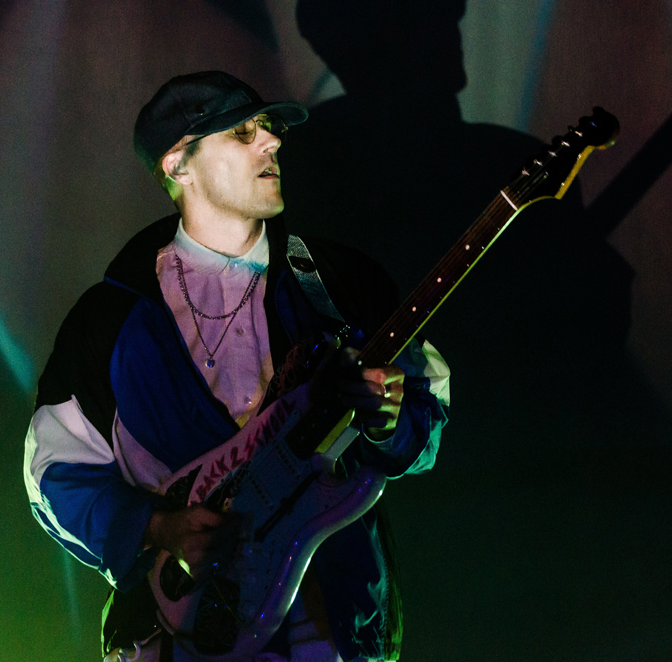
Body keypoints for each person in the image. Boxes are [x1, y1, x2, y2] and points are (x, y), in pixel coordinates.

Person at [24, 71, 450, 662]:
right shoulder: (108, 320)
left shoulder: (341, 283)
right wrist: (156, 527)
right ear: (178, 165)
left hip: (329, 628)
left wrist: (389, 423)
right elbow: (54, 474)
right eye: (243, 132)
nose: (272, 141)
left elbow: (426, 414)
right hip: (178, 635)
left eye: (269, 127)